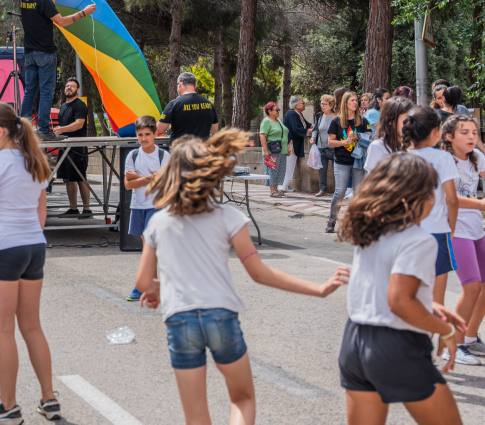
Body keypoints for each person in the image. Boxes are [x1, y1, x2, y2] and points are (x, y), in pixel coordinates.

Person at [135, 130, 348, 425]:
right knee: (242, 398)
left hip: (179, 319)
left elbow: (143, 283)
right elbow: (259, 273)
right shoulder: (227, 217)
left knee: (195, 415)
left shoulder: (158, 222)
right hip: (220, 315)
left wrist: (159, 287)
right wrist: (319, 289)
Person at [336, 154, 466, 425]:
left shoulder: (370, 230)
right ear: (415, 197)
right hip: (396, 346)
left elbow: (384, 289)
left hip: (354, 343)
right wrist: (447, 330)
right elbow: (399, 301)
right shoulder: (419, 239)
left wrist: (432, 307)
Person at [0, 102, 60, 423]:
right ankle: (49, 399)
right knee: (32, 326)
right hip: (34, 246)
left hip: (4, 249)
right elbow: (41, 210)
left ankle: (8, 407)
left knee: (3, 330)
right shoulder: (33, 160)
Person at [18, 0, 96, 140]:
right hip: (45, 53)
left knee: (30, 91)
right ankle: (44, 131)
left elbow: (48, 4)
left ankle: (24, 128)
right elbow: (61, 22)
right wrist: (84, 13)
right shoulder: (43, 2)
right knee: (46, 92)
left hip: (29, 54)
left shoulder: (25, 0)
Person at [403, 106, 461, 308]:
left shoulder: (399, 158)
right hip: (437, 231)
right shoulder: (442, 158)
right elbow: (452, 200)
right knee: (437, 303)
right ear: (436, 131)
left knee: (411, 298)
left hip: (406, 233)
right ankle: (433, 339)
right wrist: (452, 229)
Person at [439, 115, 485, 365]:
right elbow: (450, 198)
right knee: (472, 287)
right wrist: (479, 203)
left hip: (477, 229)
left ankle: (470, 338)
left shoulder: (477, 158)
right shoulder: (445, 162)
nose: (471, 137)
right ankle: (452, 345)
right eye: (464, 132)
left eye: (474, 133)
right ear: (449, 137)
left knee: (484, 287)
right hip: (455, 230)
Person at [122, 115, 166, 301]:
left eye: (147, 134)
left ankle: (143, 285)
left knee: (149, 245)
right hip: (138, 205)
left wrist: (138, 178)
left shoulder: (164, 156)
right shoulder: (132, 155)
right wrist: (150, 177)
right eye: (140, 135)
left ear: (155, 134)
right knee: (148, 246)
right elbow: (127, 185)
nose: (144, 138)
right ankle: (154, 284)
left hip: (158, 205)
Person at [326, 92, 372, 233]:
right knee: (340, 192)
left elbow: (370, 139)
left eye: (356, 100)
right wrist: (344, 142)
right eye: (352, 100)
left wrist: (358, 136)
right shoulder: (336, 121)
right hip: (341, 161)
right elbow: (330, 142)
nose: (355, 103)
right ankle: (331, 220)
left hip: (358, 162)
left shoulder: (363, 121)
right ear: (345, 103)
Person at [51, 78, 92, 217]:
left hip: (77, 147)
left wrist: (62, 129)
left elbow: (79, 124)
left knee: (81, 177)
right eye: (67, 86)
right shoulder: (63, 106)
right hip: (64, 146)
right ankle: (73, 209)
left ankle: (87, 210)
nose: (69, 88)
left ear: (77, 90)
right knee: (68, 178)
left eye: (72, 86)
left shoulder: (80, 105)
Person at [156, 72, 219, 145]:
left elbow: (159, 129)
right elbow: (214, 128)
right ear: (195, 86)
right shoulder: (208, 103)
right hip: (202, 151)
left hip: (181, 151)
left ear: (179, 84)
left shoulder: (175, 104)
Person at [364, 97, 414, 175]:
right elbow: (374, 180)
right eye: (405, 120)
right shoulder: (378, 146)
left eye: (412, 120)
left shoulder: (416, 144)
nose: (409, 124)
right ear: (389, 120)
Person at [281, 95, 311, 193]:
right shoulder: (292, 114)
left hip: (293, 144)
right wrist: (307, 130)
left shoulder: (298, 114)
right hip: (291, 145)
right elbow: (296, 129)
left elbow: (306, 124)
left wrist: (313, 126)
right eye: (302, 103)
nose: (304, 104)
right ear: (296, 105)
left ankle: (286, 186)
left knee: (290, 166)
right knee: (289, 166)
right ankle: (283, 187)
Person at [259, 102, 289, 197]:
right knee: (272, 171)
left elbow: (283, 134)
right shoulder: (266, 121)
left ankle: (276, 189)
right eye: (276, 110)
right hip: (272, 151)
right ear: (269, 111)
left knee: (280, 171)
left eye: (278, 109)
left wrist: (287, 148)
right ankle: (272, 191)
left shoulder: (278, 121)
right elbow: (262, 136)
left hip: (282, 151)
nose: (278, 111)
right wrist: (265, 151)